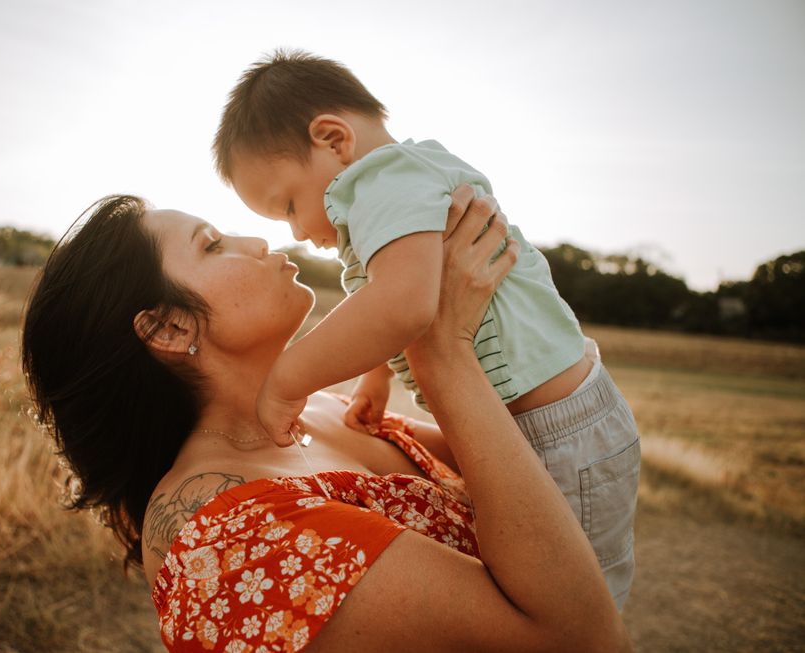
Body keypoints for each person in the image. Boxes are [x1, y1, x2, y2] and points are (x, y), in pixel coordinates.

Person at [21, 187, 631, 652]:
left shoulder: (325, 408)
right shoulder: (226, 538)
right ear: (169, 327)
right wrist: (440, 348)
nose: (260, 242)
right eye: (211, 245)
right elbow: (581, 639)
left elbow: (535, 468)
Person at [213, 50, 640, 606]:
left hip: (559, 431)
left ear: (333, 139)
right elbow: (391, 297)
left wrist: (288, 379)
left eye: (290, 204)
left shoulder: (385, 181)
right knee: (533, 583)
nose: (297, 229)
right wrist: (376, 380)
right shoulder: (393, 193)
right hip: (537, 423)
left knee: (577, 602)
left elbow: (401, 305)